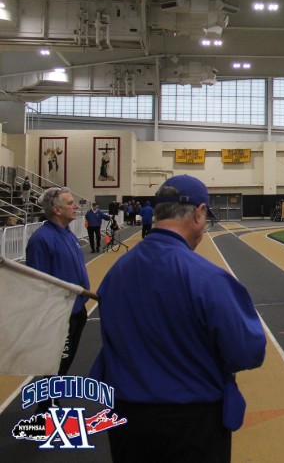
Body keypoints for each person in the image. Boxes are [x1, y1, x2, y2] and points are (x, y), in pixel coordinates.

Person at [90, 174, 266, 462]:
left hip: (125, 420)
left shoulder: (115, 274)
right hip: (192, 422)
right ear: (198, 213)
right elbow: (247, 351)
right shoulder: (208, 278)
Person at [26, 187, 91, 407]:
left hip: (77, 309)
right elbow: (38, 283)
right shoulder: (41, 240)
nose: (76, 206)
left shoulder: (68, 233)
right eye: (70, 203)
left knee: (64, 365)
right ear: (56, 210)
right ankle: (45, 411)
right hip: (59, 315)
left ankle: (50, 405)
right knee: (56, 367)